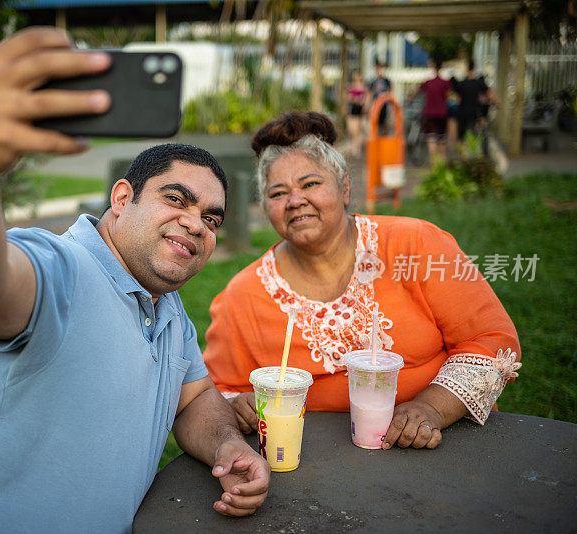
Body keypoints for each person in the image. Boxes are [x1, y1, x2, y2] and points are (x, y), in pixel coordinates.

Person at [0, 27, 270, 533]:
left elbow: (195, 398)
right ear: (120, 198)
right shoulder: (61, 271)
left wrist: (227, 443)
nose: (196, 224)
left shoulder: (166, 305)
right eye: (176, 200)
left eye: (212, 218)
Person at [202, 111, 521, 450]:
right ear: (265, 208)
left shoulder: (415, 244)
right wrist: (237, 405)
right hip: (313, 465)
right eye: (278, 193)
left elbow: (490, 339)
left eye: (310, 184)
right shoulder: (243, 295)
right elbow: (214, 391)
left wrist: (431, 408)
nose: (295, 201)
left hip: (446, 445)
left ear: (344, 188)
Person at [410, 59, 451, 164]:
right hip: (442, 113)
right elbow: (449, 97)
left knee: (430, 138)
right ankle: (441, 162)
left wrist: (410, 98)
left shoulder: (428, 82)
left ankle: (433, 162)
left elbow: (415, 92)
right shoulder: (445, 83)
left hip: (429, 113)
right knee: (441, 138)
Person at [345, 70, 368, 158]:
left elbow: (366, 97)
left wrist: (363, 102)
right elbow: (348, 97)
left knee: (358, 130)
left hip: (360, 110)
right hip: (352, 110)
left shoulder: (364, 87)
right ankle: (354, 145)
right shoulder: (350, 86)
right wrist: (354, 99)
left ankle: (356, 148)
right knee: (352, 130)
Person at [368, 62, 392, 133]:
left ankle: (383, 140)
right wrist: (368, 106)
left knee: (384, 125)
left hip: (384, 106)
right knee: (376, 124)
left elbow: (390, 93)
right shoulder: (373, 81)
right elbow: (370, 94)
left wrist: (390, 106)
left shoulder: (387, 81)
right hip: (376, 106)